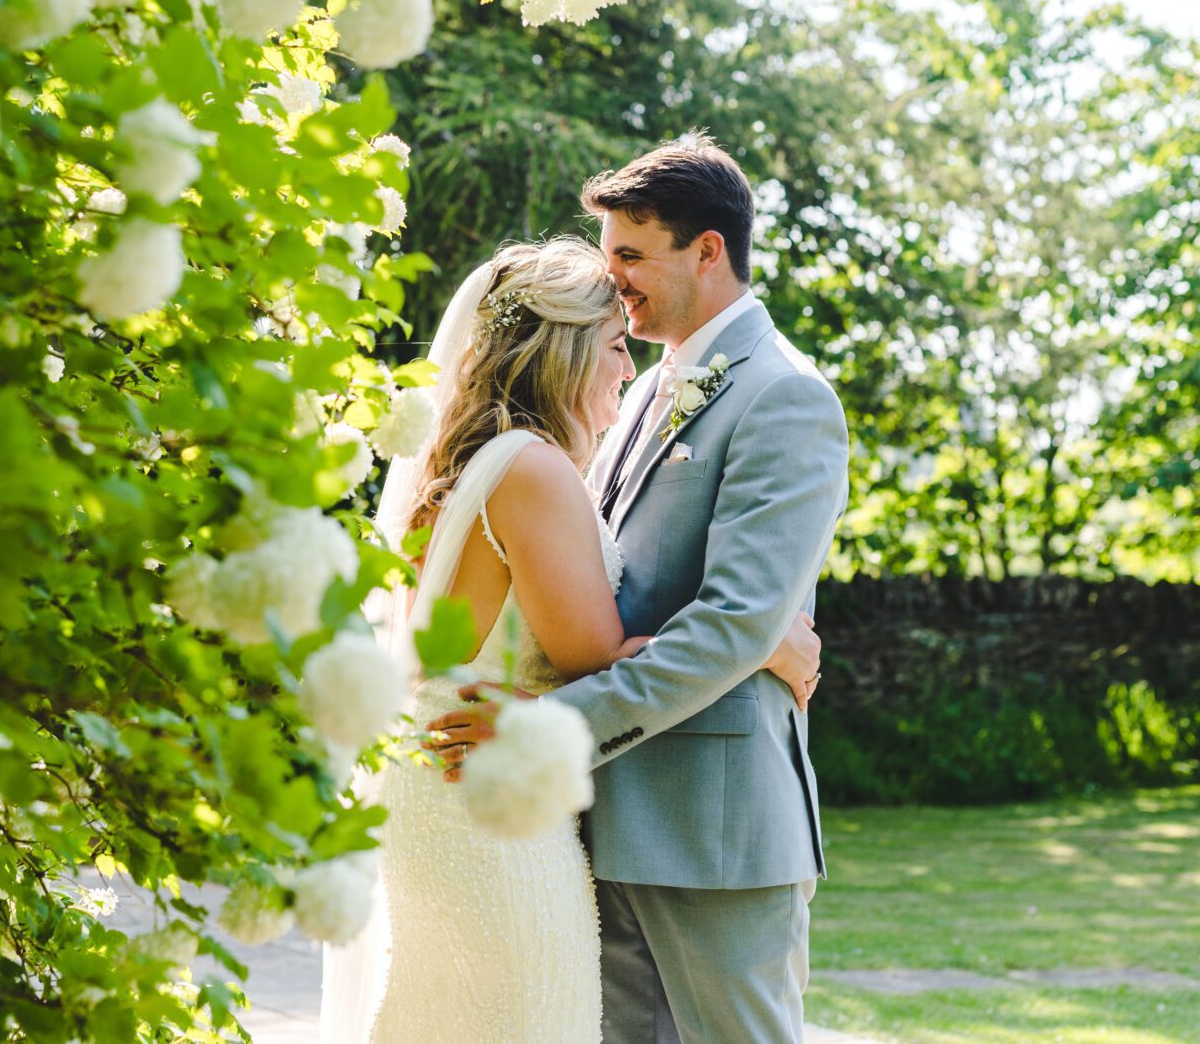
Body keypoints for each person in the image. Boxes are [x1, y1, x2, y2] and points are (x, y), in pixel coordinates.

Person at [322, 232, 824, 1044]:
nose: (629, 368)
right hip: (487, 796)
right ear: (561, 352)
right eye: (614, 346)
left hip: (450, 787)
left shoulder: (474, 463)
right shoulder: (534, 468)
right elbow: (594, 653)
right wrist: (761, 640)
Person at [426, 134, 850, 1044]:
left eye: (630, 253)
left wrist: (546, 727)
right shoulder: (627, 387)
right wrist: (768, 637)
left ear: (708, 250)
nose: (612, 277)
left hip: (714, 827)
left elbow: (734, 615)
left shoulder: (786, 397)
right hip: (596, 818)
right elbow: (590, 581)